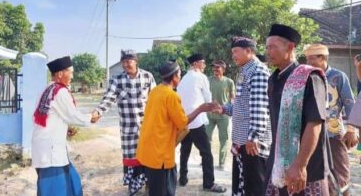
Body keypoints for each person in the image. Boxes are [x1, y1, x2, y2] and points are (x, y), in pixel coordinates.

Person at [136, 60, 221, 196]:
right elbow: (183, 122)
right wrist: (200, 109)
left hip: (148, 150)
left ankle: (183, 177)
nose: (180, 77)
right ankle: (205, 182)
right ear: (175, 77)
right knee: (164, 190)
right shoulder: (171, 96)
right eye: (179, 74)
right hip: (161, 155)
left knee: (155, 188)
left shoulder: (155, 91)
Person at [264, 24, 330, 196]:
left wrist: (300, 165)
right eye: (266, 47)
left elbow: (315, 123)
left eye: (273, 47)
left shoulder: (309, 77)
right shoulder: (273, 79)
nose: (268, 52)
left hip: (304, 166)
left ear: (290, 47)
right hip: (278, 162)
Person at [92, 49, 156, 195]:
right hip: (128, 128)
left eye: (128, 61)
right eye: (123, 62)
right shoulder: (117, 79)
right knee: (131, 159)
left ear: (136, 61)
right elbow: (108, 98)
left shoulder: (147, 76)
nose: (126, 64)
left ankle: (148, 184)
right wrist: (98, 112)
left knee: (148, 157)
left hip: (147, 127)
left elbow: (156, 99)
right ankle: (133, 187)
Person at [32, 56, 98, 196]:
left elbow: (52, 116)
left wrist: (65, 128)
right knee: (55, 189)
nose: (72, 76)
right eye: (71, 72)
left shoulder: (47, 89)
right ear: (60, 74)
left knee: (71, 181)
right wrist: (91, 117)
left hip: (45, 146)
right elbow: (72, 115)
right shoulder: (60, 91)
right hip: (51, 152)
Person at [304, 44, 357, 196]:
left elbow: (349, 103)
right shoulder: (308, 76)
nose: (308, 62)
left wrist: (352, 129)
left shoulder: (338, 77)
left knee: (341, 174)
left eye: (311, 58)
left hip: (333, 133)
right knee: (319, 176)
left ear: (323, 58)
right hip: (312, 134)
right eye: (307, 59)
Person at [222, 37, 272, 196]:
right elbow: (242, 105)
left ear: (249, 51)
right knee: (242, 184)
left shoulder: (257, 72)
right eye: (232, 52)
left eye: (236, 52)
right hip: (242, 139)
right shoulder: (244, 71)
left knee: (255, 187)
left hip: (252, 143)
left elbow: (259, 107)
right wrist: (222, 109)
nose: (233, 56)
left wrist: (254, 137)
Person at [177, 53, 226, 193]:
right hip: (197, 120)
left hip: (185, 120)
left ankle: (183, 178)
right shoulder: (201, 77)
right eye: (203, 63)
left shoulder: (183, 78)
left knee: (184, 150)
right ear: (196, 64)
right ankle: (209, 183)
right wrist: (214, 106)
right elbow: (207, 97)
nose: (205, 66)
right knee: (206, 153)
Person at [205, 60, 235, 170]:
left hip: (224, 115)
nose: (215, 70)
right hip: (209, 114)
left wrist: (230, 108)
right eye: (213, 68)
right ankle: (206, 160)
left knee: (224, 139)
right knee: (206, 137)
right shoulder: (208, 80)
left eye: (217, 68)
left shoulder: (229, 82)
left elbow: (232, 98)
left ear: (223, 69)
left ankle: (221, 163)